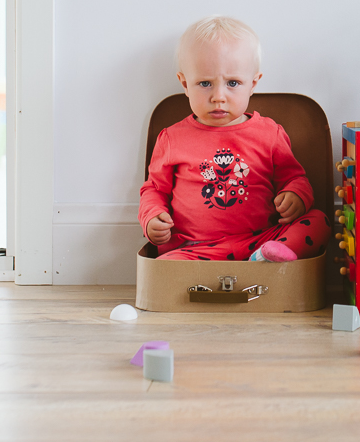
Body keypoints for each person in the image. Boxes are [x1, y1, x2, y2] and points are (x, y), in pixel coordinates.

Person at [138, 16, 330, 262]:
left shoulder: (269, 133)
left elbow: (294, 177)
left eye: (233, 83)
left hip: (263, 240)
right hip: (195, 249)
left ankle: (266, 259)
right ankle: (263, 267)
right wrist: (152, 216)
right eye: (205, 83)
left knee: (319, 221)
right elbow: (154, 189)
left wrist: (296, 196)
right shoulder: (172, 138)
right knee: (163, 268)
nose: (219, 96)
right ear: (185, 84)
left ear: (253, 83)